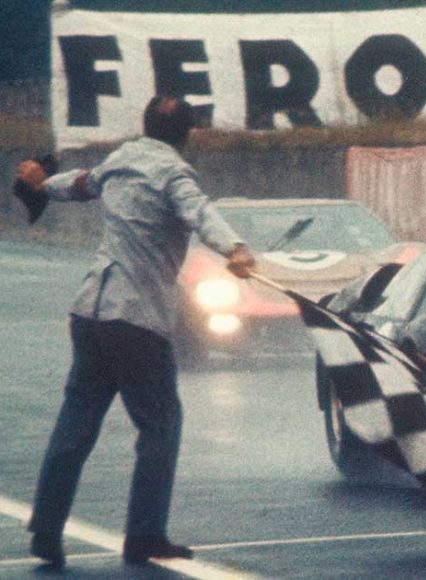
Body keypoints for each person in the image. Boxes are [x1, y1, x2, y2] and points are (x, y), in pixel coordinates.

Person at [13, 96, 257, 568]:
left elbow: (79, 184)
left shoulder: (120, 161)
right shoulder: (174, 173)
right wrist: (236, 249)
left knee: (76, 425)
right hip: (137, 317)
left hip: (90, 312)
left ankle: (45, 527)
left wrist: (42, 185)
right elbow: (200, 214)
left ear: (145, 126)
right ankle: (144, 535)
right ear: (187, 134)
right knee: (161, 425)